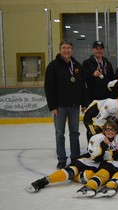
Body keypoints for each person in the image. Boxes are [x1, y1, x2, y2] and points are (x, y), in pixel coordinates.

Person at [25, 121, 118, 193]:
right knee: (71, 171)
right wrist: (104, 145)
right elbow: (95, 157)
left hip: (101, 165)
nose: (110, 132)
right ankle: (44, 181)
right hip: (90, 160)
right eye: (108, 129)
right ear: (104, 130)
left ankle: (76, 177)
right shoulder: (96, 138)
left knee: (87, 176)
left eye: (113, 129)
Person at [44, 40, 84, 169]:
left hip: (74, 106)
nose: (66, 50)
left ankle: (75, 157)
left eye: (68, 48)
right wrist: (52, 106)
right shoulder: (53, 66)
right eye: (63, 48)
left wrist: (82, 103)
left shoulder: (77, 65)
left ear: (72, 50)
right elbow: (48, 87)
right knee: (60, 133)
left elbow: (81, 86)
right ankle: (62, 159)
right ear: (60, 50)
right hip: (60, 107)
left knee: (74, 133)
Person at [76, 130, 118, 198]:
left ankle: (110, 187)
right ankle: (89, 186)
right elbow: (108, 156)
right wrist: (117, 152)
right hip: (110, 164)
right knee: (101, 174)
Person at [82, 41, 114, 105]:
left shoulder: (108, 63)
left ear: (103, 50)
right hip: (92, 98)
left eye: (101, 49)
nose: (99, 51)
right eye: (97, 49)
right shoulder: (87, 63)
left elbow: (112, 78)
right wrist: (93, 75)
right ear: (93, 50)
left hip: (106, 98)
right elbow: (83, 79)